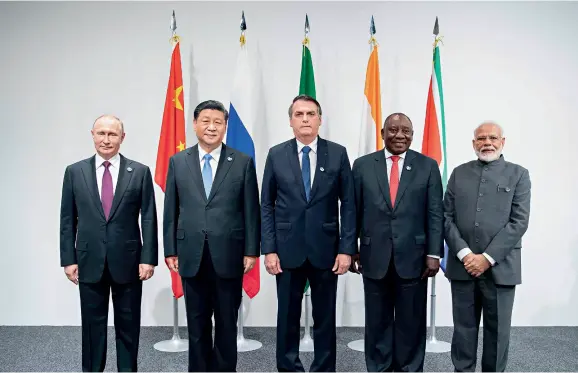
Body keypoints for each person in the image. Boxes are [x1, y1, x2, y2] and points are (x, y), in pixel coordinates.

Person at [163, 100, 260, 372]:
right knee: (196, 324)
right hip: (190, 254)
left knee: (227, 324)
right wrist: (170, 250)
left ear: (225, 126)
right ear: (194, 124)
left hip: (229, 255)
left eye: (218, 122)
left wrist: (251, 250)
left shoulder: (241, 162)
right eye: (205, 121)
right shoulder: (178, 162)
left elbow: (251, 210)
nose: (211, 127)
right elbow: (170, 209)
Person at [261, 94, 356, 372]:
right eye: (299, 114)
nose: (305, 119)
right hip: (286, 249)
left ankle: (324, 368)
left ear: (320, 120)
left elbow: (348, 204)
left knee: (325, 317)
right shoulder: (276, 154)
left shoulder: (337, 153)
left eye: (311, 114)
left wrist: (346, 248)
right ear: (291, 121)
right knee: (287, 316)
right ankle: (289, 367)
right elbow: (266, 204)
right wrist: (269, 248)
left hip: (326, 250)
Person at [59, 115, 158, 372]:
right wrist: (68, 259)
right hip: (88, 260)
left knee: (128, 325)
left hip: (128, 261)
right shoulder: (74, 172)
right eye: (101, 133)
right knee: (93, 327)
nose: (106, 139)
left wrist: (148, 258)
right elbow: (68, 220)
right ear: (92, 134)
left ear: (122, 138)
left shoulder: (139, 172)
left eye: (112, 134)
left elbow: (148, 218)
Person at [351, 113, 444, 372]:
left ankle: (409, 368)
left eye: (406, 131)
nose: (400, 135)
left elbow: (435, 212)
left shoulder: (427, 166)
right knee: (377, 321)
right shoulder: (362, 165)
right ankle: (379, 367)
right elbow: (352, 211)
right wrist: (350, 248)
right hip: (373, 255)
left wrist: (434, 253)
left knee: (411, 321)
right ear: (382, 133)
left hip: (414, 258)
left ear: (413, 135)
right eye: (393, 130)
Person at [443, 121, 531, 372]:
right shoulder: (459, 173)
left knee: (498, 333)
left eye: (493, 138)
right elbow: (446, 216)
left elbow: (519, 222)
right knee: (463, 332)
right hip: (463, 267)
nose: (487, 143)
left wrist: (487, 258)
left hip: (501, 269)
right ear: (473, 143)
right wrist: (465, 253)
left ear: (503, 142)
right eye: (481, 139)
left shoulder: (519, 174)